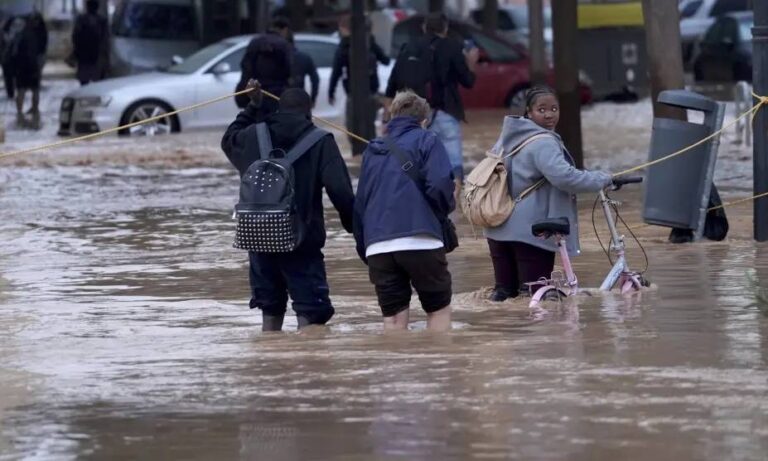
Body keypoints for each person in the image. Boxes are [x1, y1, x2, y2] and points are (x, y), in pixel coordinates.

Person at [221, 80, 355, 331]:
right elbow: (341, 191)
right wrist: (356, 228)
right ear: (309, 111)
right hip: (302, 241)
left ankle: (272, 362)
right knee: (311, 312)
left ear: (279, 108)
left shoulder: (252, 134)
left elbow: (228, 139)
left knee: (270, 307)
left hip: (259, 239)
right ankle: (305, 365)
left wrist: (252, 107)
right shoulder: (320, 140)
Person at [484, 86, 613, 302]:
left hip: (497, 228)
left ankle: (499, 334)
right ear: (529, 112)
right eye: (541, 109)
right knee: (536, 298)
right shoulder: (544, 141)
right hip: (531, 232)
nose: (549, 114)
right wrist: (602, 179)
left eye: (554, 108)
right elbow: (565, 178)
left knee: (504, 298)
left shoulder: (507, 138)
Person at [354, 90, 455, 332]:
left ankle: (397, 367)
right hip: (421, 241)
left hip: (378, 247)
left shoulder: (373, 149)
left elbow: (361, 203)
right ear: (424, 121)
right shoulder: (428, 140)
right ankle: (441, 367)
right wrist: (441, 213)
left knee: (393, 320)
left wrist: (365, 247)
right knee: (437, 310)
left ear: (390, 117)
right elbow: (440, 186)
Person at [386, 13, 478, 193]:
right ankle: (453, 206)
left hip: (413, 114)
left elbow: (393, 83)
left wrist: (388, 115)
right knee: (452, 162)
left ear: (423, 27)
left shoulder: (409, 47)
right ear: (445, 29)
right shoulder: (452, 47)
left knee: (416, 161)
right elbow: (468, 81)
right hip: (444, 110)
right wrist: (471, 63)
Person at [328, 15, 390, 154]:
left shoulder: (345, 45)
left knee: (353, 125)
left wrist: (331, 91)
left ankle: (360, 152)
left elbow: (337, 70)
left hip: (354, 93)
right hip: (370, 91)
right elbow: (385, 60)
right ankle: (371, 151)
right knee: (369, 125)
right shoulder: (370, 43)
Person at [235, 17, 292, 115]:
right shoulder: (283, 44)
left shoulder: (255, 42)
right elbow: (290, 69)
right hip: (277, 94)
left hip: (255, 92)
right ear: (285, 30)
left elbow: (246, 67)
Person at [13, 13, 47, 128]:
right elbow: (42, 53)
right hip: (32, 67)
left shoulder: (21, 34)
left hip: (22, 68)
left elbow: (14, 52)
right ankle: (33, 111)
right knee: (34, 90)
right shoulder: (41, 34)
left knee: (22, 91)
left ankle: (20, 112)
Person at [72, 0, 110, 86]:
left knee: (84, 83)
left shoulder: (81, 20)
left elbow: (75, 37)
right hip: (97, 56)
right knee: (98, 83)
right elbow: (106, 39)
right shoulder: (102, 21)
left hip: (83, 56)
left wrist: (75, 52)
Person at [287, 32, 319, 107]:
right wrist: (313, 98)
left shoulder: (277, 59)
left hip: (280, 99)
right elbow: (315, 80)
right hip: (299, 99)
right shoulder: (304, 58)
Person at [0, 15, 23, 100]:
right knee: (11, 76)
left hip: (8, 58)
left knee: (8, 77)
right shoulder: (17, 33)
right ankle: (13, 92)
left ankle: (11, 92)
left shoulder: (5, 32)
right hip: (10, 58)